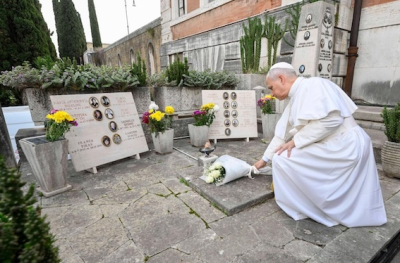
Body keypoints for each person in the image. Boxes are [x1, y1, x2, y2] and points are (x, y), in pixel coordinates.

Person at [253, 62, 387, 228]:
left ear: (281, 78)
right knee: (282, 157)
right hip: (337, 144)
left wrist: (295, 141)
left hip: (346, 145)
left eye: (271, 88)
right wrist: (264, 160)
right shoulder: (297, 96)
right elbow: (281, 135)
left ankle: (307, 206)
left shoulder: (314, 84)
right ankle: (310, 202)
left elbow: (332, 119)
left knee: (283, 159)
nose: (271, 93)